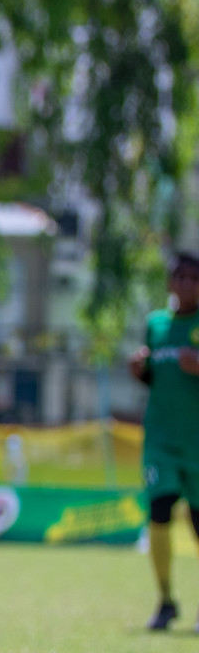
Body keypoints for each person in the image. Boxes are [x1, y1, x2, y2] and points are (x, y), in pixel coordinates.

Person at [127, 249, 199, 631]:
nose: (186, 284)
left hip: (197, 444)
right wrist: (138, 370)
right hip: (160, 439)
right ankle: (166, 600)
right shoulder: (156, 324)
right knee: (159, 512)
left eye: (193, 278)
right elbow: (155, 377)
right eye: (179, 277)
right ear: (170, 282)